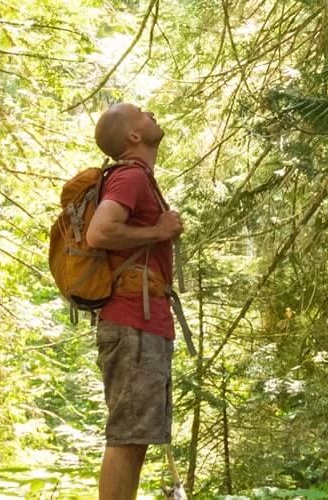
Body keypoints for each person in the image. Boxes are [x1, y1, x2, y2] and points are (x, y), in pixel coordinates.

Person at [83, 102, 184, 499]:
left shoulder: (139, 178)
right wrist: (159, 230)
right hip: (131, 323)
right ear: (133, 136)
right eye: (142, 113)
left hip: (141, 323)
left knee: (135, 437)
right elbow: (99, 232)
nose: (152, 113)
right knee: (127, 438)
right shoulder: (130, 177)